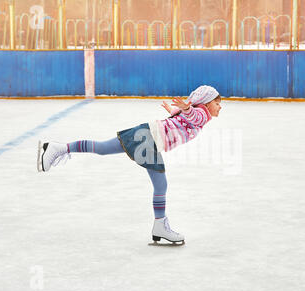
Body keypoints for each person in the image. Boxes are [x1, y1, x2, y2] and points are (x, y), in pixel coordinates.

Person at [37, 85, 222, 245]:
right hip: (149, 139)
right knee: (159, 184)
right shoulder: (202, 115)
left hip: (149, 137)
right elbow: (195, 116)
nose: (219, 107)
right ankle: (159, 225)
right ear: (206, 104)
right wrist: (187, 109)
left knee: (103, 149)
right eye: (217, 103)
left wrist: (178, 110)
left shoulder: (197, 115)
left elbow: (186, 118)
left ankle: (59, 148)